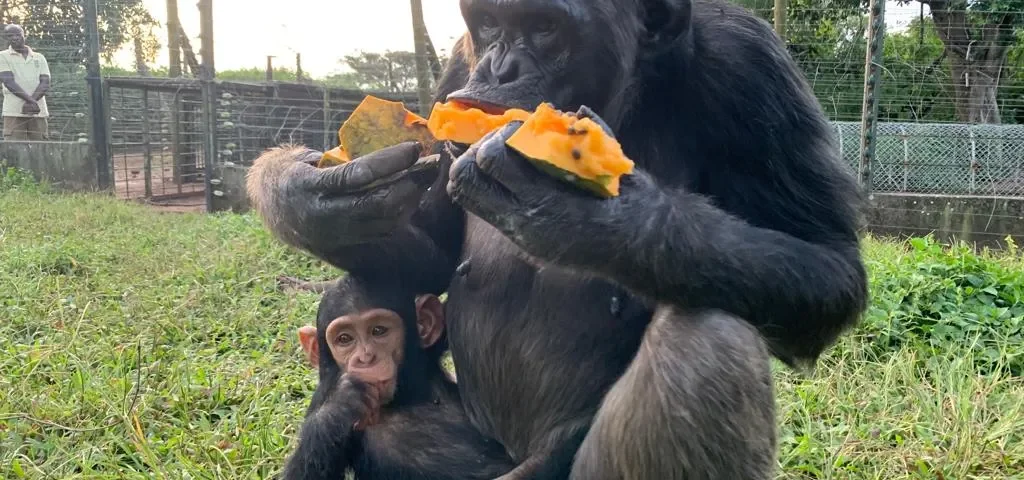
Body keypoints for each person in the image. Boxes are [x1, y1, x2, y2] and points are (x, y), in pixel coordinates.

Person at [0, 24, 50, 141]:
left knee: (41, 150)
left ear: (24, 35)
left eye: (17, 34)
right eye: (10, 35)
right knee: (14, 151)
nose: (14, 38)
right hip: (14, 112)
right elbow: (8, 82)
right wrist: (31, 101)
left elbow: (45, 82)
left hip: (38, 112)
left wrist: (31, 103)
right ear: (6, 39)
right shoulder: (2, 56)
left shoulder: (39, 57)